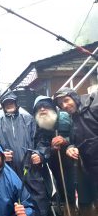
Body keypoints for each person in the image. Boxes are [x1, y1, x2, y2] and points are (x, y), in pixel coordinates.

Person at [0, 90, 50, 216]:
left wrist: (40, 154)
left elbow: (42, 141)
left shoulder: (29, 120)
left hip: (31, 170)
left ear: (16, 104)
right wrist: (1, 155)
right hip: (8, 172)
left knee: (39, 203)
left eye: (11, 102)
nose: (9, 105)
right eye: (6, 103)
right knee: (13, 205)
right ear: (3, 106)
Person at [53, 87, 98, 216]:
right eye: (61, 104)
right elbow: (75, 141)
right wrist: (70, 147)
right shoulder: (73, 119)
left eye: (66, 100)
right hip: (90, 170)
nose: (65, 106)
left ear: (74, 97)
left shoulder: (93, 105)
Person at [33, 95, 75, 215]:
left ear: (51, 107)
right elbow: (39, 144)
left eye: (45, 106)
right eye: (39, 107)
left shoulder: (65, 117)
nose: (42, 109)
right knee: (61, 190)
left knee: (74, 191)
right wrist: (50, 149)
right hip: (53, 164)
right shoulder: (38, 124)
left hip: (72, 161)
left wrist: (65, 141)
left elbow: (76, 136)